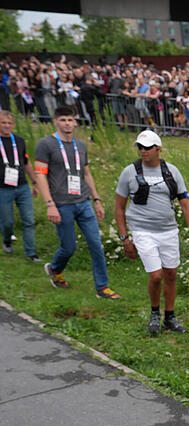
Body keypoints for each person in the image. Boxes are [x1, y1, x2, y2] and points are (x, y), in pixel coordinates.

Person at [113, 130, 189, 335]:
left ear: (158, 149)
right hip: (143, 230)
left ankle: (170, 316)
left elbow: (185, 205)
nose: (143, 152)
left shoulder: (171, 171)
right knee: (156, 275)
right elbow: (119, 207)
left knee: (171, 273)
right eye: (140, 148)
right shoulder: (129, 172)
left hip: (168, 230)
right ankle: (154, 314)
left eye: (147, 148)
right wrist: (125, 239)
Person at [34, 105, 120, 299]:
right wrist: (50, 205)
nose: (67, 124)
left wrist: (96, 199)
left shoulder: (80, 145)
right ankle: (55, 269)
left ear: (75, 122)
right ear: (56, 121)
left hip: (83, 202)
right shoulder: (46, 144)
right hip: (61, 204)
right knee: (69, 247)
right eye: (63, 120)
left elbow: (86, 173)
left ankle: (102, 287)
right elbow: (40, 176)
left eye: (70, 120)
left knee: (96, 244)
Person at [0, 110, 40, 261]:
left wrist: (35, 182)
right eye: (3, 123)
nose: (7, 126)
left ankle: (31, 252)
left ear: (13, 125)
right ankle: (7, 239)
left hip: (22, 186)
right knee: (7, 221)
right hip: (3, 188)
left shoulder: (19, 140)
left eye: (9, 123)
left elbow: (26, 162)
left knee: (29, 220)